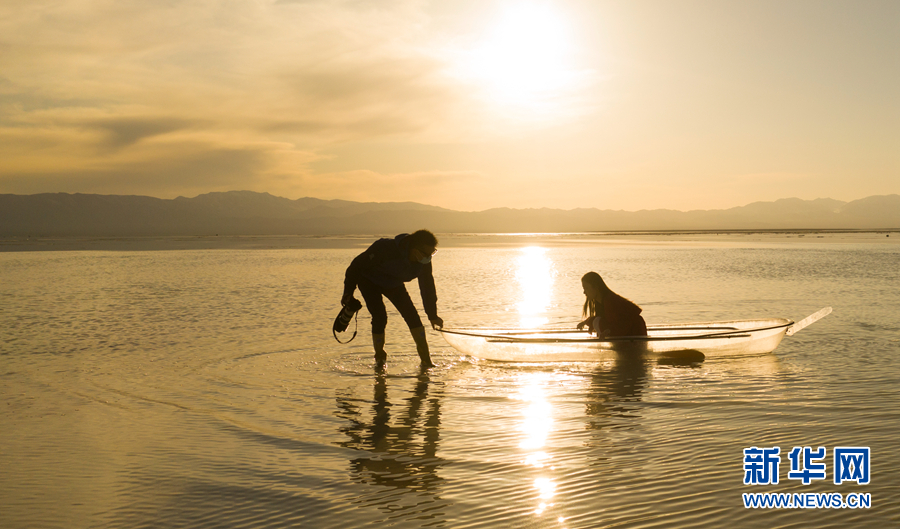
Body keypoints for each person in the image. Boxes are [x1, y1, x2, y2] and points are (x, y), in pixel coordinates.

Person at [342, 230, 444, 368]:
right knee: (380, 317)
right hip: (368, 281)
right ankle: (379, 359)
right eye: (426, 254)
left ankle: (426, 361)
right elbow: (355, 266)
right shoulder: (385, 248)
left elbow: (427, 286)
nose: (428, 258)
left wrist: (432, 314)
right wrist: (348, 292)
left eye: (432, 254)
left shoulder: (423, 261)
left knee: (413, 317)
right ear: (414, 248)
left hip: (393, 283)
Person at [577, 272, 647, 338]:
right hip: (625, 332)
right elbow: (604, 318)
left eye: (586, 288)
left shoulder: (609, 300)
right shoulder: (600, 302)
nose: (584, 292)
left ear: (596, 287)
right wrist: (585, 322)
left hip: (634, 333)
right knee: (596, 321)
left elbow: (624, 321)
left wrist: (609, 330)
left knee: (597, 321)